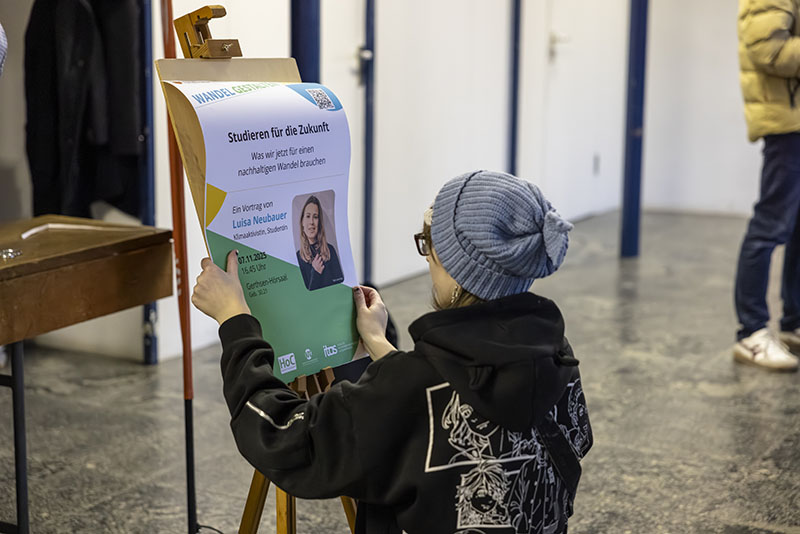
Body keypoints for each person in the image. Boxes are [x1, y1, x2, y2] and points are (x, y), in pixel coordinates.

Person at [191, 170, 592, 533]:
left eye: (430, 246)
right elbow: (457, 385)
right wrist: (380, 346)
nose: (428, 258)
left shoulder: (409, 388)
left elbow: (280, 435)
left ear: (457, 268)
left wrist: (235, 320)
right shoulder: (555, 353)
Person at [734, 0, 800, 371]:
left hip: (795, 116)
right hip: (786, 120)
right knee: (770, 225)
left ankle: (793, 323)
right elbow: (768, 49)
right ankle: (751, 331)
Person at [295, 194, 344, 290]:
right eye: (308, 216)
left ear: (320, 222)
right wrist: (315, 273)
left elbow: (339, 287)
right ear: (302, 222)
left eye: (316, 217)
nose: (312, 222)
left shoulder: (330, 250)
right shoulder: (298, 257)